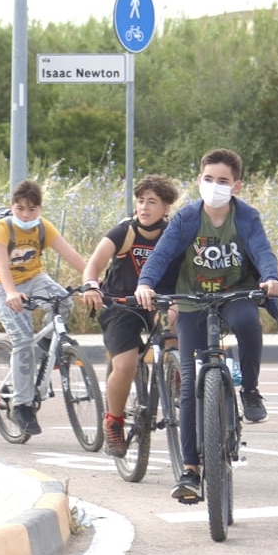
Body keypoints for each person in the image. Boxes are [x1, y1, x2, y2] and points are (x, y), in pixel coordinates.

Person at [134, 149, 278, 503]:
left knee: (249, 323)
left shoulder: (246, 216)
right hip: (192, 300)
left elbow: (263, 251)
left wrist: (270, 278)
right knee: (188, 385)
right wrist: (146, 283)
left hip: (235, 293)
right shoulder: (187, 217)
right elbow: (162, 255)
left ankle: (249, 389)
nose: (215, 186)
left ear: (236, 185)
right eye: (208, 179)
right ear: (198, 180)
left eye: (223, 181)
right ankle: (190, 470)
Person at [81, 174, 181, 458]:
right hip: (121, 305)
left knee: (170, 321)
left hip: (158, 303)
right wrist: (91, 286)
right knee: (125, 364)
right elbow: (93, 267)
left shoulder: (174, 233)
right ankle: (114, 421)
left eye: (152, 202)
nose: (144, 207)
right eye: (140, 201)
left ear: (166, 208)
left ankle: (174, 372)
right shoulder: (124, 232)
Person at [0, 178, 91, 437]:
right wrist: (10, 292)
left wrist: (93, 283)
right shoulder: (2, 228)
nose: (25, 214)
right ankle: (22, 405)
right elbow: (1, 265)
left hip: (33, 279)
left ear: (40, 209)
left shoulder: (44, 228)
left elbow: (73, 256)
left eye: (32, 209)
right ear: (12, 207)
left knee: (64, 300)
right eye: (20, 208)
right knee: (21, 339)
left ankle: (45, 346)